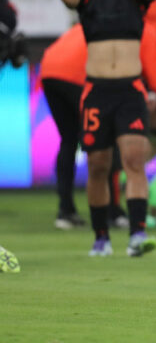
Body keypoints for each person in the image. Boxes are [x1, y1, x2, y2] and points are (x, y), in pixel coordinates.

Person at [59, 0, 156, 257]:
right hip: (97, 91)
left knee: (133, 160)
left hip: (130, 90)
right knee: (97, 165)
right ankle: (101, 236)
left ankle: (137, 233)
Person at [39, 24, 88, 230]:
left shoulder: (82, 23)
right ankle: (110, 211)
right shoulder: (124, 24)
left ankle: (65, 210)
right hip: (76, 76)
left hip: (48, 71)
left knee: (68, 139)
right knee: (100, 141)